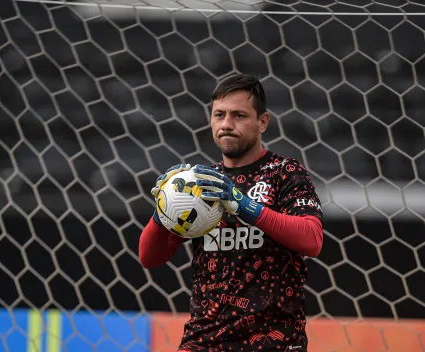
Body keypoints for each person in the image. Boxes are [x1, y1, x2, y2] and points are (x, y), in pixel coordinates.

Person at [139, 73, 324, 352]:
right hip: (205, 340)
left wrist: (244, 205)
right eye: (219, 115)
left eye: (239, 115)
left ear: (262, 122)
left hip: (274, 341)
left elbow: (312, 240)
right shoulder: (199, 185)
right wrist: (163, 211)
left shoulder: (285, 172)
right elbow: (149, 257)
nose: (226, 124)